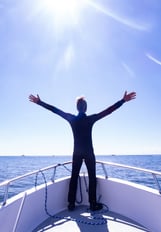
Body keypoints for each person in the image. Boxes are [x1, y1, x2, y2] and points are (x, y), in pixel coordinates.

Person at [29, 91, 136, 211]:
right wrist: (122, 101)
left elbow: (55, 110)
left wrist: (39, 102)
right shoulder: (91, 119)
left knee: (74, 177)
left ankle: (71, 204)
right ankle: (93, 204)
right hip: (89, 152)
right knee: (92, 177)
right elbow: (108, 111)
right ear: (85, 108)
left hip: (77, 153)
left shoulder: (72, 119)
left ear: (77, 107)